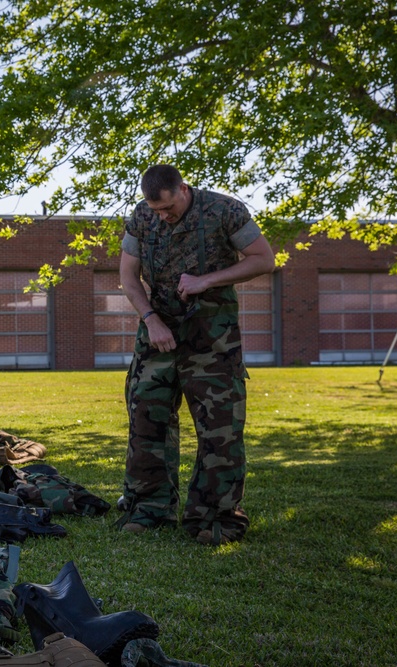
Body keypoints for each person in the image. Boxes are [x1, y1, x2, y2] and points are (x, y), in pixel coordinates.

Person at [118, 164, 275, 546]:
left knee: (219, 427)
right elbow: (127, 276)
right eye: (155, 210)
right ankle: (149, 507)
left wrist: (206, 281)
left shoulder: (225, 210)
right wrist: (151, 319)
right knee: (146, 414)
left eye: (168, 208)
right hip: (158, 331)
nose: (162, 216)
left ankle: (215, 517)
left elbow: (262, 259)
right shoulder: (141, 216)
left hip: (212, 334)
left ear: (183, 189)